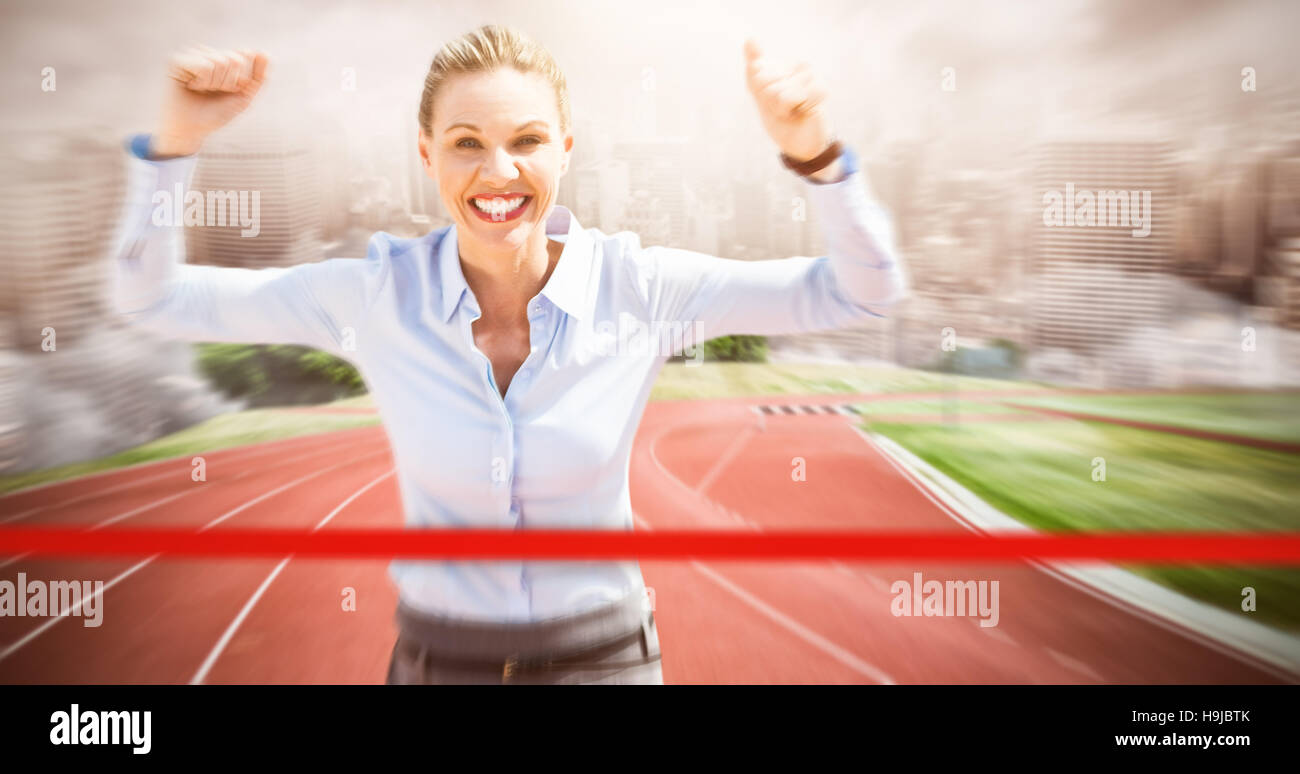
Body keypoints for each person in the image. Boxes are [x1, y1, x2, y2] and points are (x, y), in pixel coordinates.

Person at [110, 24, 909, 684]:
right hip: (434, 664)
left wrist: (814, 155)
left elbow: (861, 290)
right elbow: (152, 298)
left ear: (564, 148)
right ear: (427, 155)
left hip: (607, 663)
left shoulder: (638, 287)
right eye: (466, 144)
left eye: (527, 140)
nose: (499, 172)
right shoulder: (376, 297)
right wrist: (177, 143)